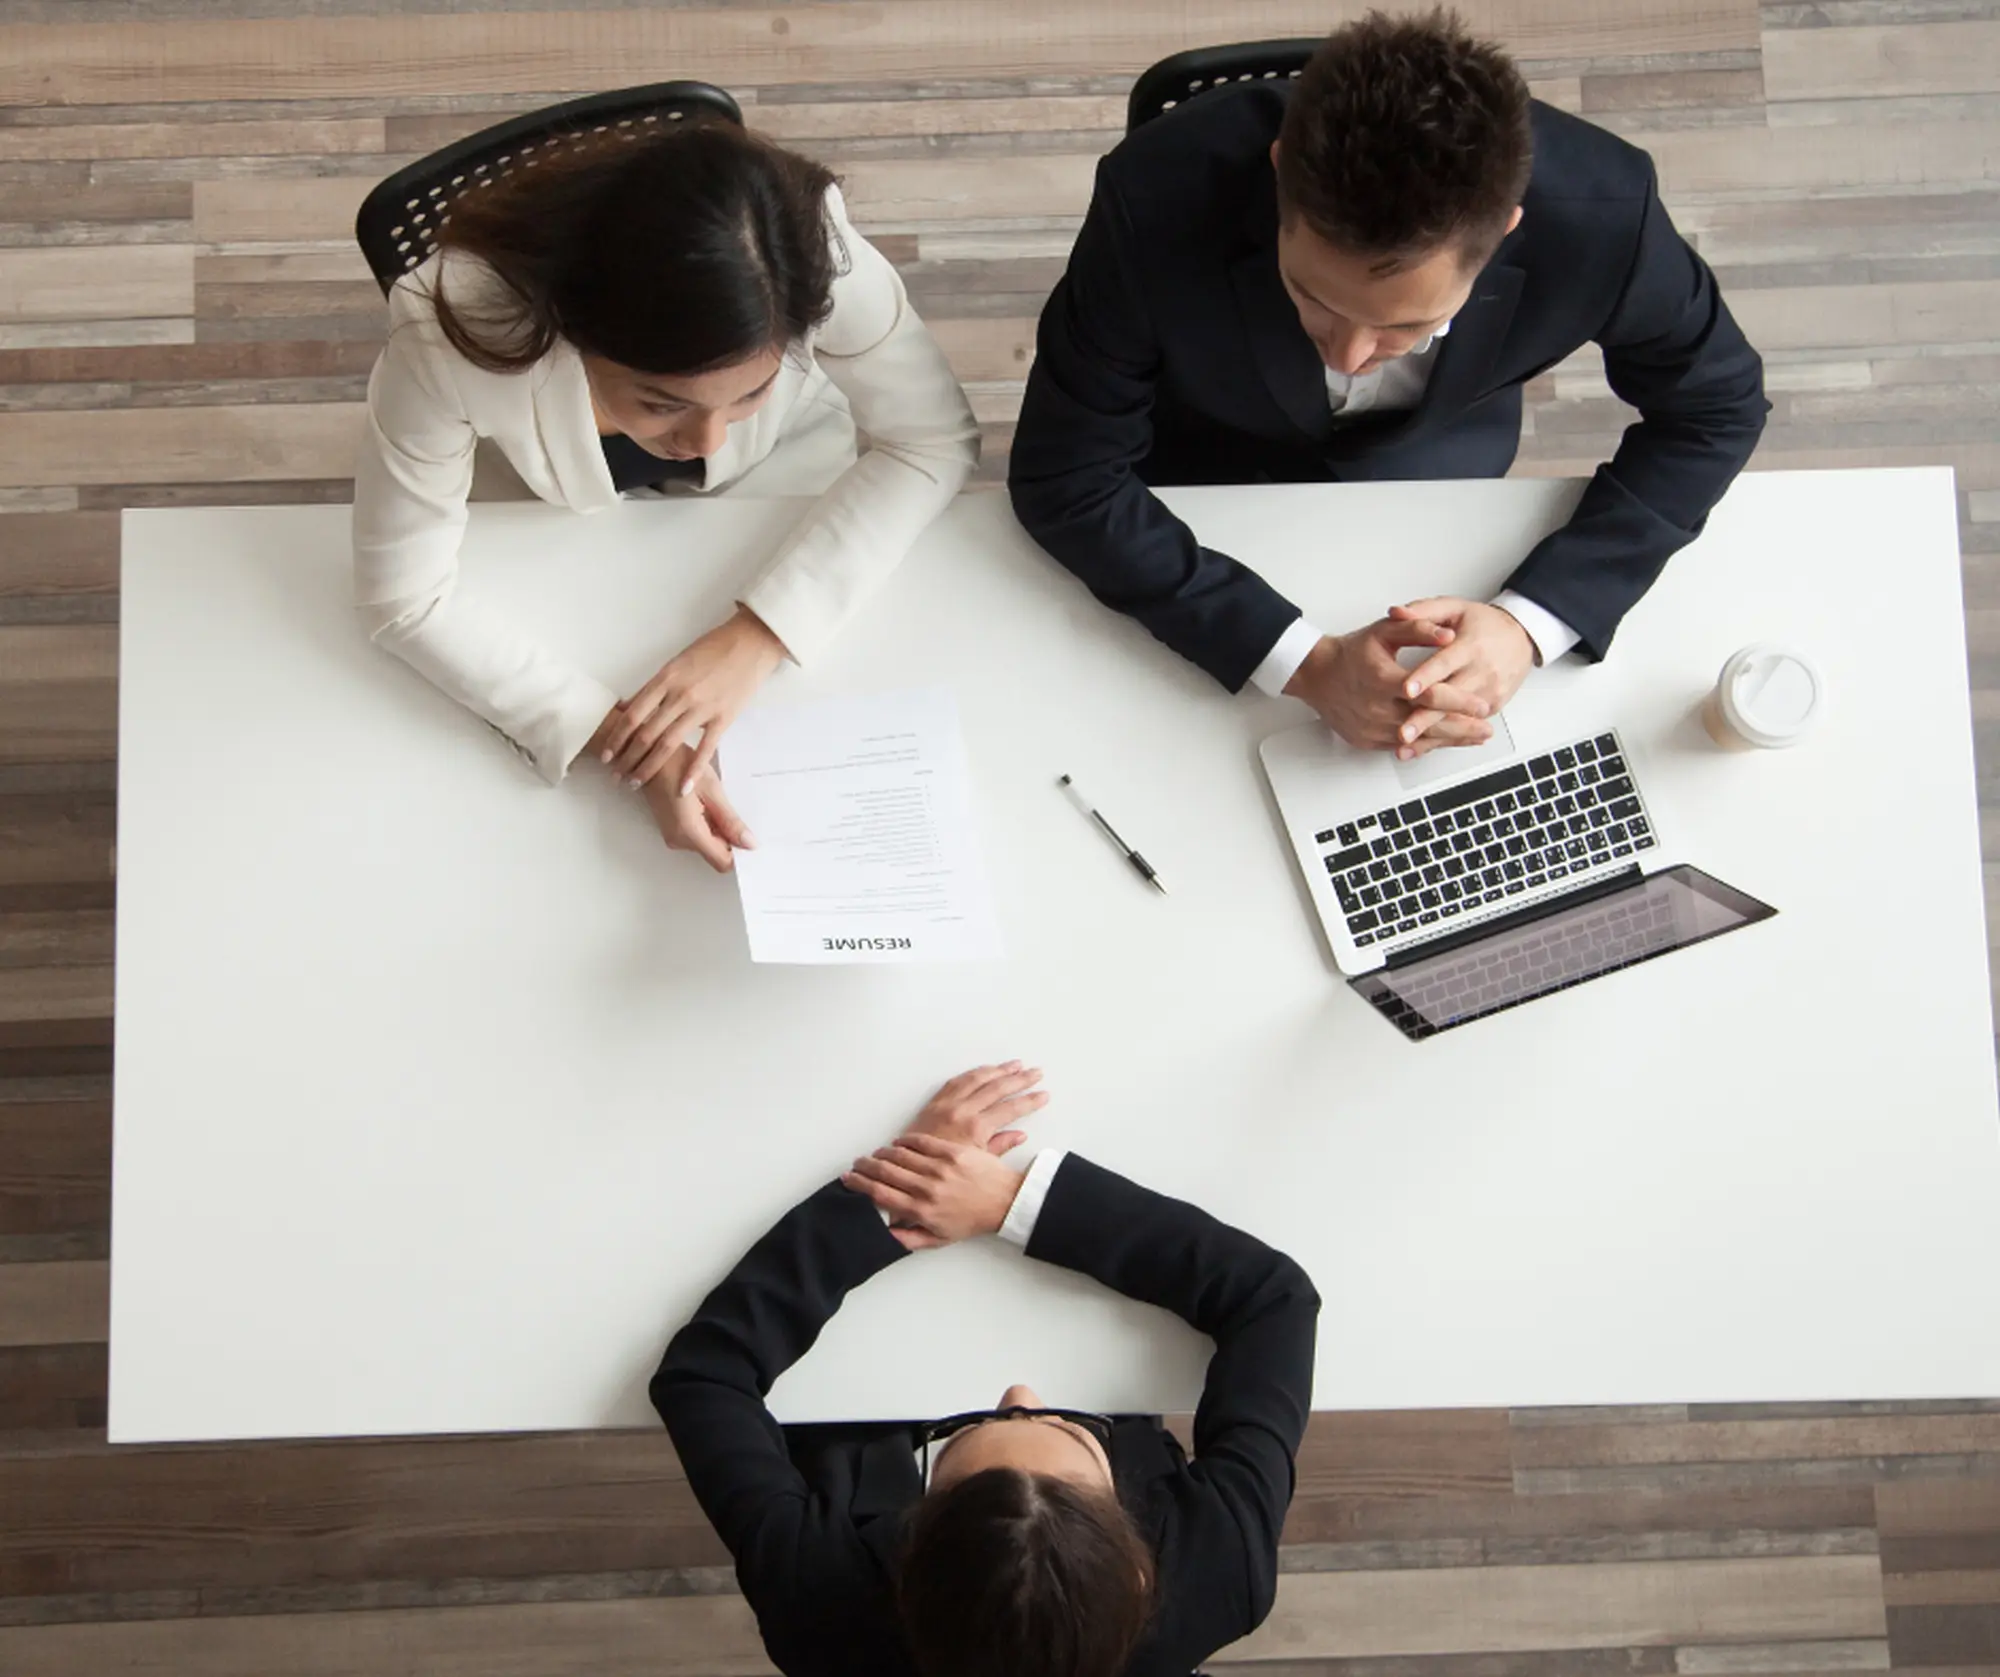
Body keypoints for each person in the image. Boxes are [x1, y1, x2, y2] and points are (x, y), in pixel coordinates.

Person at [1008, 9, 1767, 761]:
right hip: (1200, 468)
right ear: (1281, 178)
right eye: (1314, 298)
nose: (1348, 354)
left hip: (1437, 473)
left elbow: (1716, 406)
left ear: (1502, 232)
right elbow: (1064, 473)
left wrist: (1529, 622)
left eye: (1405, 326)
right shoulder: (1150, 196)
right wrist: (1303, 662)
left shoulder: (1608, 216)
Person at [352, 120, 979, 868]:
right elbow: (404, 596)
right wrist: (625, 741)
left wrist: (760, 634)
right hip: (538, 513)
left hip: (777, 484)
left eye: (748, 392)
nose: (708, 438)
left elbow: (932, 437)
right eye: (662, 403)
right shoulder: (447, 328)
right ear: (576, 334)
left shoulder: (819, 258)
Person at [651, 1063, 1319, 1677]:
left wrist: (893, 1190)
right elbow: (1272, 1300)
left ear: (907, 1543)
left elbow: (706, 1374)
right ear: (1141, 1569)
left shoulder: (815, 1595)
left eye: (967, 1433)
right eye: (1074, 1431)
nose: (1020, 1391)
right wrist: (1015, 1204)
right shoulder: (1220, 1565)